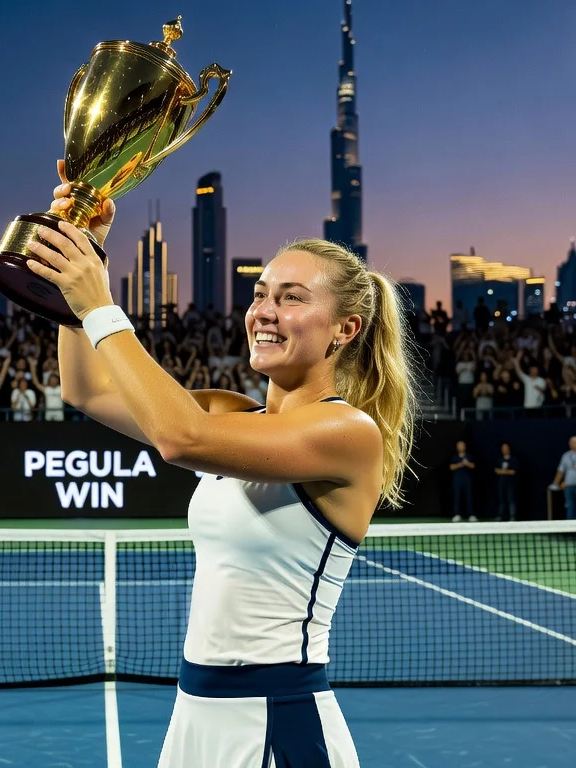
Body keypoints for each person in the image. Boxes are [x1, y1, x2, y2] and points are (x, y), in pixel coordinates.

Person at [29, 163, 417, 767]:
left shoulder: (347, 432)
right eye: (261, 293)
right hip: (197, 711)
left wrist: (100, 301)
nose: (264, 310)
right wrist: (84, 252)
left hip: (275, 723)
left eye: (292, 298)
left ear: (346, 328)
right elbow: (87, 392)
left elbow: (178, 438)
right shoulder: (231, 416)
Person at [494, 442, 519, 521]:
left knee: (511, 499)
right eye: (503, 448)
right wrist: (506, 471)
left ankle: (512, 516)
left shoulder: (513, 460)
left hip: (510, 483)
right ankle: (501, 515)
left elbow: (513, 472)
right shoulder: (499, 460)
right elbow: (496, 470)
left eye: (506, 448)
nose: (504, 450)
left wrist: (504, 471)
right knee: (502, 500)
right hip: (501, 483)